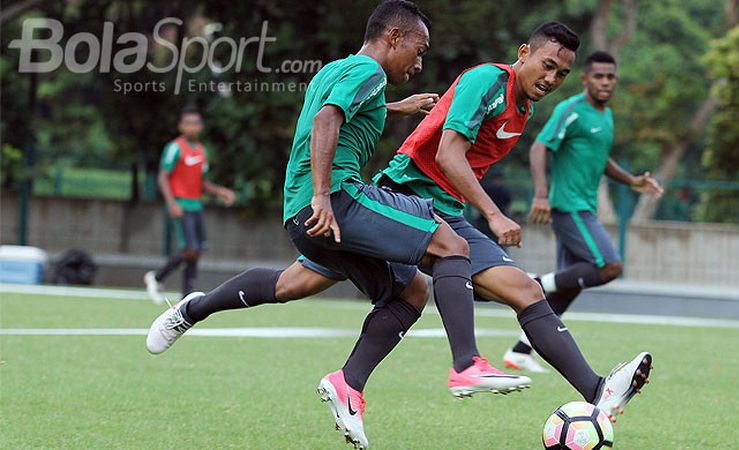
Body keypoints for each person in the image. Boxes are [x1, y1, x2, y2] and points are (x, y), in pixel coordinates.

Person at [146, 2, 527, 448]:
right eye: (418, 50)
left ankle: (197, 312)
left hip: (300, 214)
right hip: (338, 201)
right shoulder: (370, 72)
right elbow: (328, 120)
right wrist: (324, 196)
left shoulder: (339, 71)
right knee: (450, 244)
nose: (419, 62)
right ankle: (466, 364)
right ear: (392, 37)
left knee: (391, 292)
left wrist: (395, 108)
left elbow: (335, 110)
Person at [373, 25, 652, 424]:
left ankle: (599, 390)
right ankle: (464, 365)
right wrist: (493, 213)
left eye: (561, 74)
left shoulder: (525, 111)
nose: (552, 79)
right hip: (404, 197)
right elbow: (450, 155)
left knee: (526, 289)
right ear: (524, 53)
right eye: (547, 65)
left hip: (447, 213)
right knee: (303, 280)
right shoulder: (486, 79)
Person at [503, 51, 664, 377]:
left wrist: (632, 181)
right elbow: (540, 146)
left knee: (570, 286)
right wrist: (542, 194)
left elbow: (601, 159)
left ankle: (520, 350)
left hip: (584, 207)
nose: (605, 82)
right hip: (568, 206)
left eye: (611, 77)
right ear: (586, 79)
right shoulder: (570, 110)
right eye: (599, 76)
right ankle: (535, 282)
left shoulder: (606, 117)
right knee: (609, 266)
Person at [144, 108, 235, 304]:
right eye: (188, 123)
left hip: (196, 205)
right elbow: (162, 177)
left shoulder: (202, 151)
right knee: (189, 249)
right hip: (180, 204)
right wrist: (172, 202)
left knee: (197, 250)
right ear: (181, 126)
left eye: (196, 123)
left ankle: (186, 296)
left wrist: (222, 192)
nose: (192, 127)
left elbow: (202, 184)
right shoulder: (175, 148)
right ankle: (157, 277)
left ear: (201, 127)